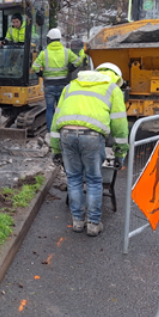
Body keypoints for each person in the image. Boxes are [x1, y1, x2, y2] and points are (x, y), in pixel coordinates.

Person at [50, 61, 128, 237]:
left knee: (74, 178)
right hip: (92, 136)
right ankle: (93, 224)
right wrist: (120, 151)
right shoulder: (112, 89)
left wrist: (55, 149)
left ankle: (77, 222)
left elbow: (56, 119)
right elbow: (120, 124)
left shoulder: (71, 86)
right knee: (93, 180)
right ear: (116, 78)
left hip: (66, 133)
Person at [31, 27, 85, 133]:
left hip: (49, 85)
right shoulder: (67, 52)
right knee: (62, 108)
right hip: (62, 84)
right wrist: (69, 69)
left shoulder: (44, 53)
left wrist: (42, 75)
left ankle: (51, 131)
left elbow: (35, 67)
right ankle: (61, 129)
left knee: (50, 109)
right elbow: (78, 62)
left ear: (49, 40)